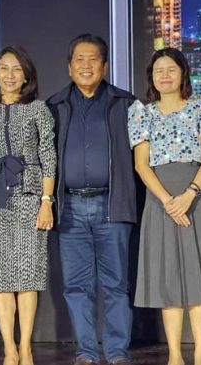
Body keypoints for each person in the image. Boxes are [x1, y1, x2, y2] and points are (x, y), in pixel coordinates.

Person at [130, 47, 201, 365]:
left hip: (198, 198)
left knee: (199, 274)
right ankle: (175, 355)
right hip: (159, 200)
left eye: (171, 69)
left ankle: (200, 353)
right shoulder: (141, 112)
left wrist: (189, 195)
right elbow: (141, 165)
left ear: (183, 74)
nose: (164, 75)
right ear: (151, 77)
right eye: (158, 70)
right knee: (168, 278)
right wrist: (167, 201)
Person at [46, 34, 137, 365]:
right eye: (79, 60)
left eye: (93, 59)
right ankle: (86, 352)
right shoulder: (53, 107)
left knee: (116, 284)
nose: (86, 66)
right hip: (69, 208)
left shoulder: (125, 104)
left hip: (112, 205)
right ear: (69, 67)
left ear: (105, 66)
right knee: (76, 286)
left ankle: (116, 352)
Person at [0, 45, 55, 365]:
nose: (10, 75)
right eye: (4, 68)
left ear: (26, 76)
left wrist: (47, 201)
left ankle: (26, 346)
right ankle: (9, 348)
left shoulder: (39, 110)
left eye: (17, 69)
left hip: (30, 196)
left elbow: (48, 157)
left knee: (28, 275)